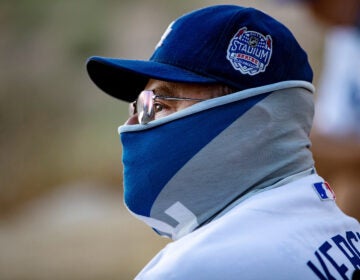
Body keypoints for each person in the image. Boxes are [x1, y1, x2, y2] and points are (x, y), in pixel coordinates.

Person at [86, 5, 360, 279]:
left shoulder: (193, 268)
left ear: (249, 121)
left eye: (158, 104)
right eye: (139, 105)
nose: (133, 124)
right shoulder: (345, 234)